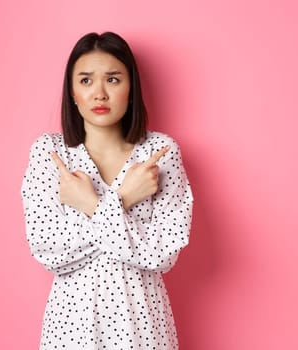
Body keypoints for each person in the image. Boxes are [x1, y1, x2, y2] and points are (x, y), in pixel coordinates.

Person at [20, 31, 195, 349]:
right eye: (86, 81)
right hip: (71, 325)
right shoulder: (51, 153)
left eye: (113, 80)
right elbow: (50, 250)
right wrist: (124, 199)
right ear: (72, 91)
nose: (99, 93)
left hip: (142, 321)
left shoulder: (159, 152)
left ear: (131, 88)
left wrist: (91, 205)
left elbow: (163, 254)